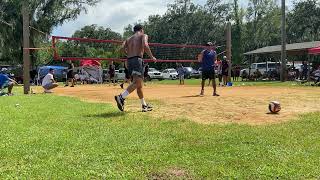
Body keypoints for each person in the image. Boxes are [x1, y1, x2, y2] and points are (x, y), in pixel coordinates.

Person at [115, 24, 157, 112]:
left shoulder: (128, 39)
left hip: (129, 61)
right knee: (137, 83)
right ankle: (121, 97)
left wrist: (129, 54)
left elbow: (121, 49)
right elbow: (145, 45)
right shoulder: (143, 35)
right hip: (137, 60)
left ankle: (144, 105)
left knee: (139, 84)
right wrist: (152, 57)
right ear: (141, 30)